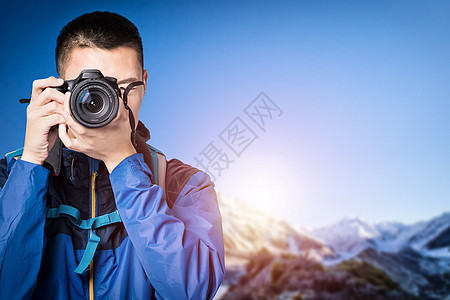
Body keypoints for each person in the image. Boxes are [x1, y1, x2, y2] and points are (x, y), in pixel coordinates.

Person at [0, 11, 225, 299]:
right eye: (91, 90)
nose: (109, 105)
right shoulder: (10, 176)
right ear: (60, 88)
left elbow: (193, 291)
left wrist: (123, 163)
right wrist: (32, 162)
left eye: (122, 88)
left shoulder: (185, 185)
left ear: (144, 83)